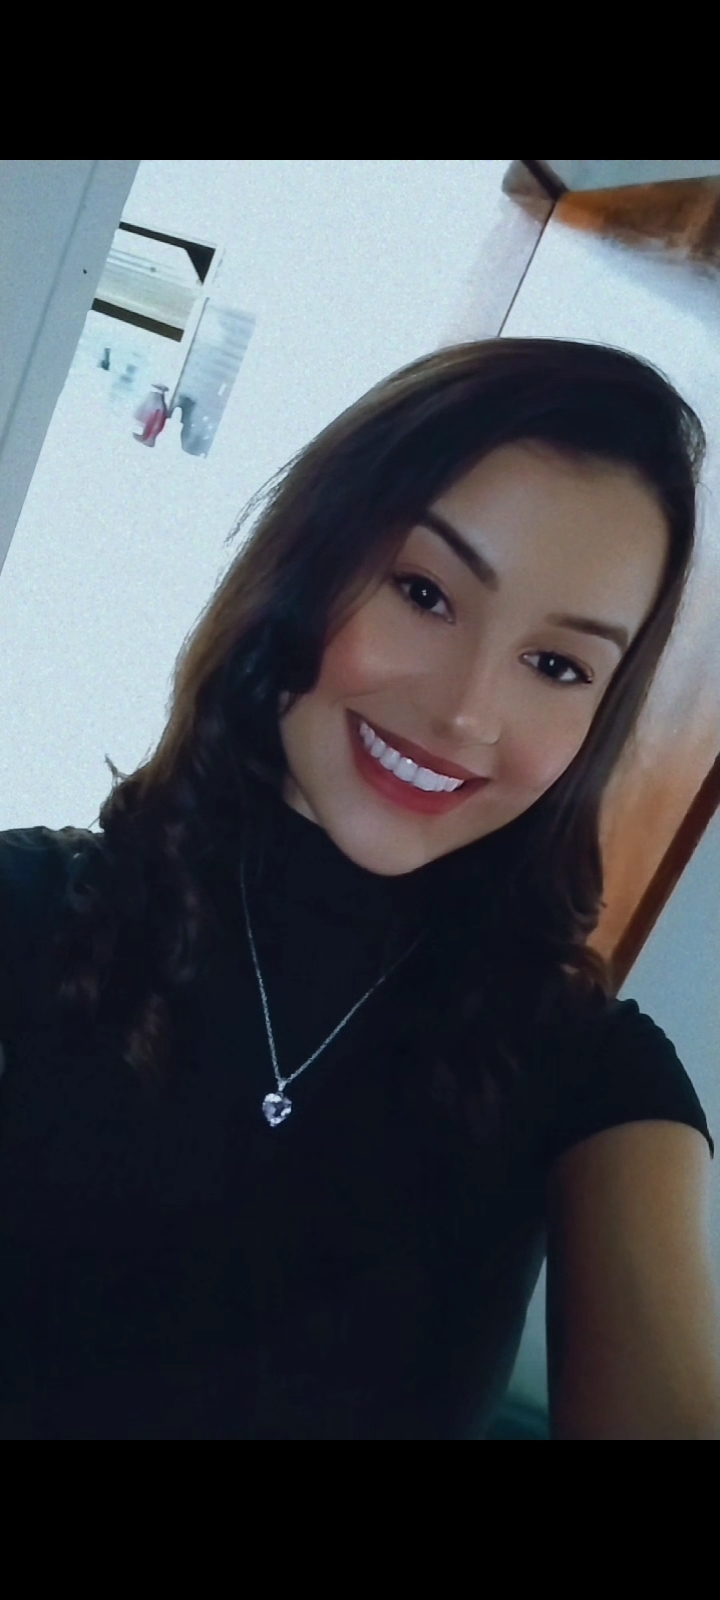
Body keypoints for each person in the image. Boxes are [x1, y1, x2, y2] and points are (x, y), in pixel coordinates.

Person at [1, 337, 719, 1441]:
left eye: (557, 665)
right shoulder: (27, 913)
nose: (467, 712)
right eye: (424, 593)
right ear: (307, 563)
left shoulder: (595, 1077)